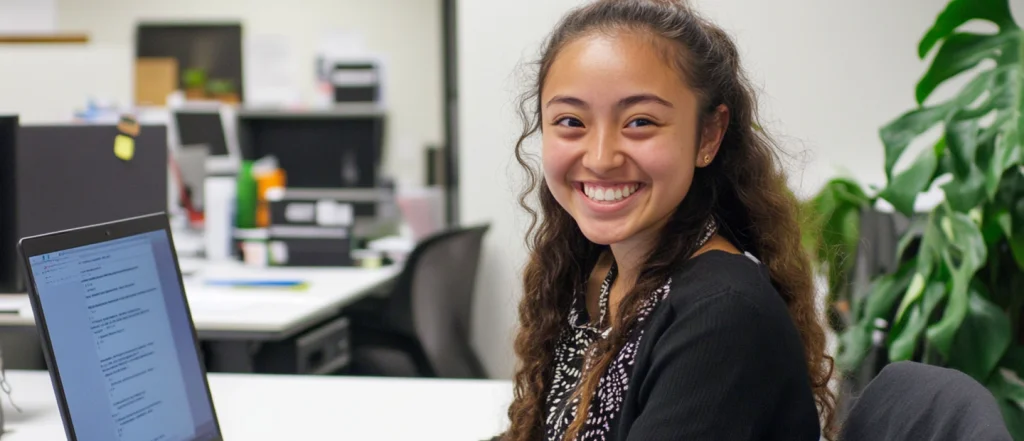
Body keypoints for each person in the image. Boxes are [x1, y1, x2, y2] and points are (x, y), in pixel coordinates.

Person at [501, 0, 835, 440]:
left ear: (708, 135)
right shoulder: (600, 274)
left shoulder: (721, 316)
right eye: (570, 121)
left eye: (640, 122)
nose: (601, 158)